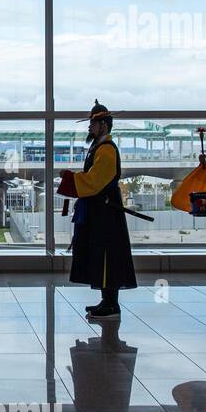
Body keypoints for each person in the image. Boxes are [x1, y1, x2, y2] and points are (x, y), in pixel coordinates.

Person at [60, 101, 136, 320]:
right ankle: (106, 300)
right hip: (100, 210)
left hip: (106, 211)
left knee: (107, 256)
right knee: (101, 254)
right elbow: (93, 179)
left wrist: (71, 179)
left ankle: (111, 304)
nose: (90, 128)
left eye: (93, 123)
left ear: (104, 125)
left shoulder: (107, 150)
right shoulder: (99, 148)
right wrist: (73, 178)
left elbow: (95, 180)